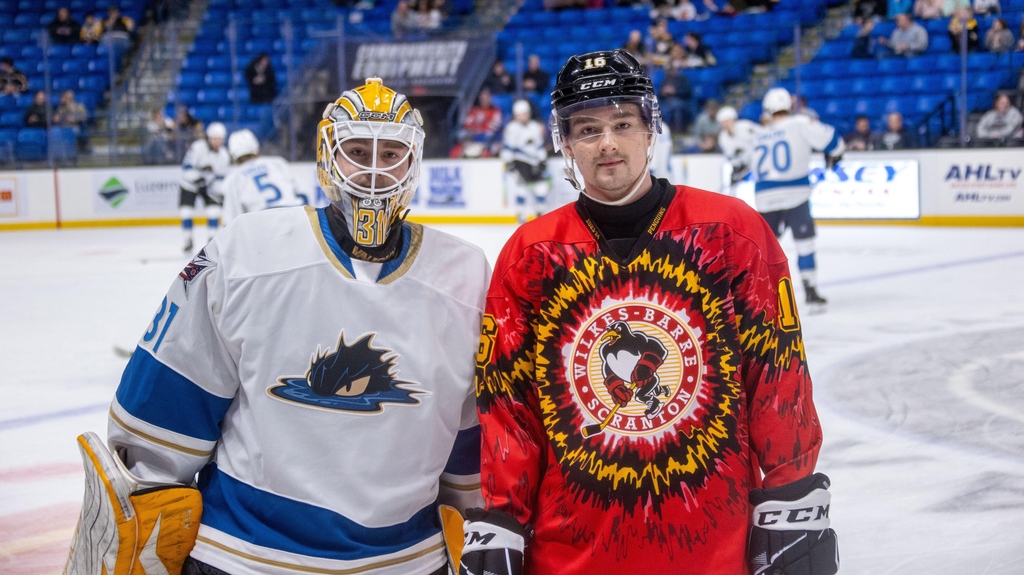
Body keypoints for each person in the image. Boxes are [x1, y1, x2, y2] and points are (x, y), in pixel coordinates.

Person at [63, 77, 489, 575]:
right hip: (245, 557)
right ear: (328, 156)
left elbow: (470, 452)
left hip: (408, 561)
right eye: (357, 150)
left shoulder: (467, 277)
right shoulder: (244, 253)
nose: (374, 172)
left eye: (391, 154)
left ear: (414, 162)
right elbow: (160, 424)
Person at [459, 49, 837, 575]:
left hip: (715, 550)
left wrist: (792, 499)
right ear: (565, 143)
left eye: (622, 123)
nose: (607, 142)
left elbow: (777, 376)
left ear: (649, 129)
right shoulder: (532, 253)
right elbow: (508, 404)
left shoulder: (730, 230)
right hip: (570, 553)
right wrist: (501, 520)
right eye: (588, 129)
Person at [752, 87, 845, 308]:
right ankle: (810, 290)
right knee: (805, 244)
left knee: (763, 252)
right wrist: (835, 153)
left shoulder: (760, 134)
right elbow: (833, 139)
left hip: (764, 197)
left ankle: (757, 296)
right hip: (796, 193)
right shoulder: (800, 123)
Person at [221, 128, 307, 223]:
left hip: (263, 220)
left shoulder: (234, 178)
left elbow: (231, 219)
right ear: (256, 147)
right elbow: (302, 193)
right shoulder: (278, 162)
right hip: (292, 214)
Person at [178, 121, 230, 253]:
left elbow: (220, 178)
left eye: (220, 139)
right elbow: (187, 168)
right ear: (209, 138)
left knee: (214, 211)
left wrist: (220, 192)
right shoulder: (197, 147)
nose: (217, 142)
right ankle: (187, 240)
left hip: (209, 186)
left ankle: (211, 241)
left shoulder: (224, 155)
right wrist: (197, 177)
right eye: (215, 139)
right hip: (189, 184)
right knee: (186, 212)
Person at [500, 99, 550, 223]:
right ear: (516, 115)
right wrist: (509, 162)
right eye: (522, 113)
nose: (524, 116)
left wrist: (542, 161)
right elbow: (507, 148)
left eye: (526, 113)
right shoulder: (511, 128)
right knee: (521, 189)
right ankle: (521, 214)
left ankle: (540, 213)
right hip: (520, 161)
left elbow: (539, 146)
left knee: (541, 187)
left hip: (534, 161)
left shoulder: (534, 126)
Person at [715, 105, 761, 192]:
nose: (725, 124)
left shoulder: (745, 127)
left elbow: (761, 136)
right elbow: (730, 156)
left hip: (755, 163)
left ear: (733, 119)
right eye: (723, 122)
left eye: (727, 121)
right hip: (741, 167)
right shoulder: (723, 137)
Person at [451, 87, 503, 158]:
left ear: (490, 98)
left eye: (486, 98)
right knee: (461, 137)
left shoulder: (495, 111)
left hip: (487, 139)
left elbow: (493, 127)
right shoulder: (473, 110)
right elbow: (468, 125)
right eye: (482, 98)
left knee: (491, 140)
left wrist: (480, 128)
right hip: (472, 138)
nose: (484, 100)